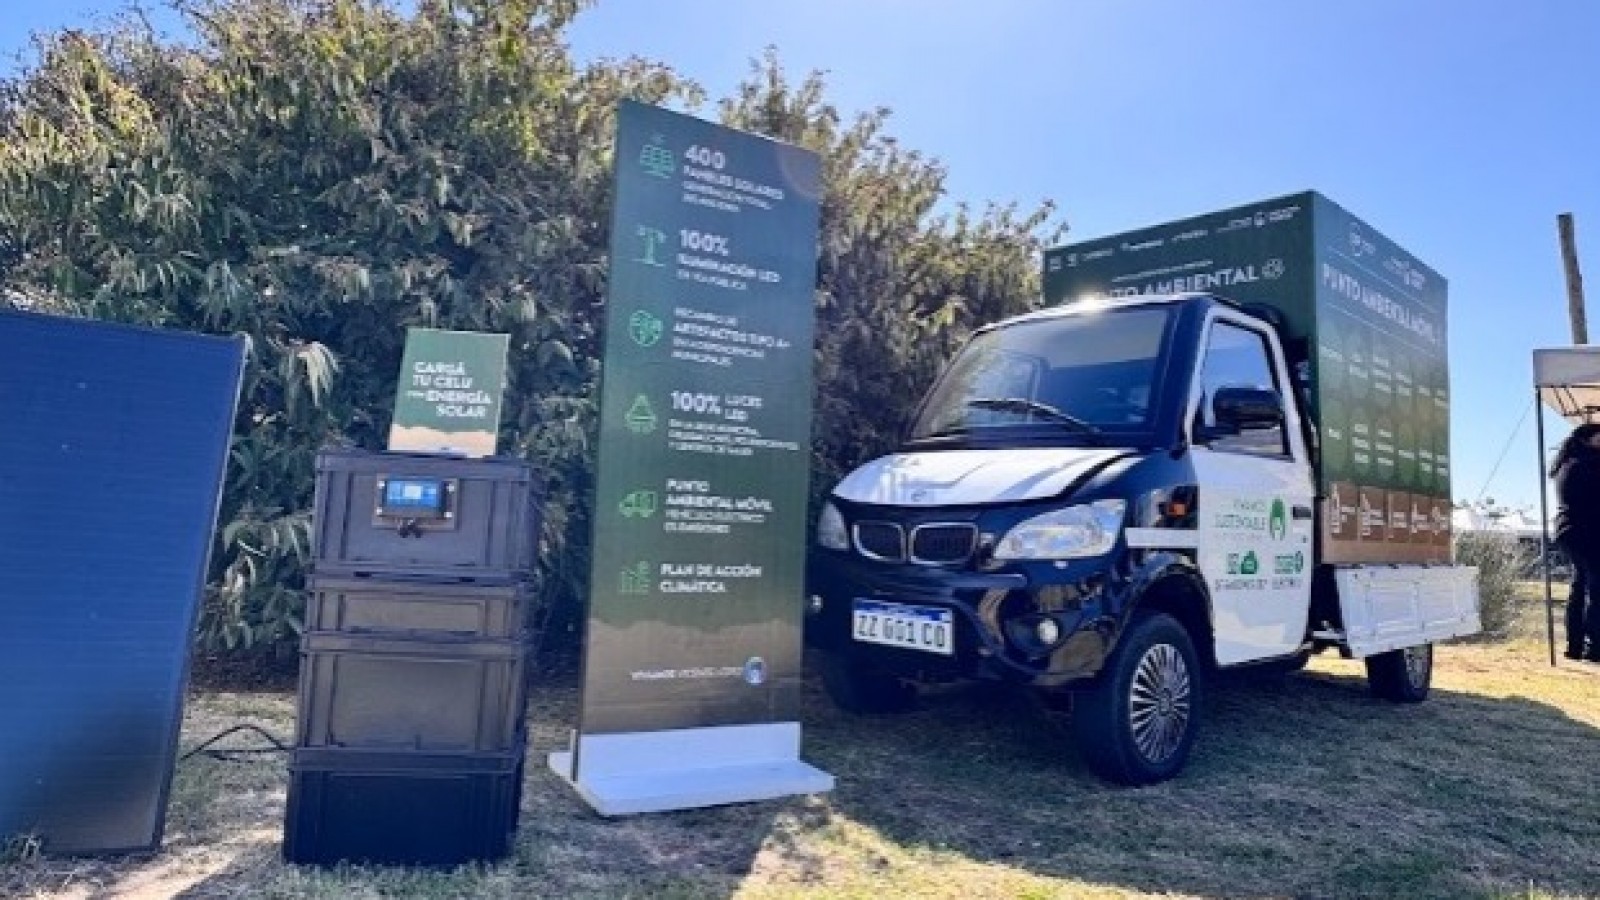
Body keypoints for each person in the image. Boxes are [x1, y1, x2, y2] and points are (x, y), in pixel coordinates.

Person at [1551, 423, 1600, 661]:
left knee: (1580, 587)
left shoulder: (1570, 463)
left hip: (1571, 531)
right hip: (1585, 533)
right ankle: (1594, 647)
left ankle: (1575, 646)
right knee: (1595, 588)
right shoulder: (1586, 465)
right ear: (1587, 439)